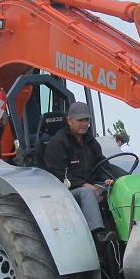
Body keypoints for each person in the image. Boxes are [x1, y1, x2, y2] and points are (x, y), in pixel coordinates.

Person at [45, 102, 117, 243]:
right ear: (69, 120)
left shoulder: (90, 141)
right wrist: (85, 185)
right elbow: (58, 175)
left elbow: (101, 164)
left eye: (87, 120)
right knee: (87, 193)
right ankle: (98, 236)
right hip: (66, 191)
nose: (84, 124)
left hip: (92, 185)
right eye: (80, 120)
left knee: (118, 186)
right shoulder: (58, 143)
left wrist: (109, 180)